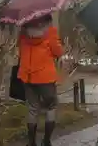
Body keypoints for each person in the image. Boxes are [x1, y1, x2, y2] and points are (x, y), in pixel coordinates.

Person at [18, 14, 63, 146]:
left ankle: (31, 143)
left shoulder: (23, 32)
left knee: (32, 109)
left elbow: (20, 52)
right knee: (51, 106)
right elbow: (58, 52)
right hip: (46, 77)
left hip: (28, 76)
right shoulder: (50, 32)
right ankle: (46, 141)